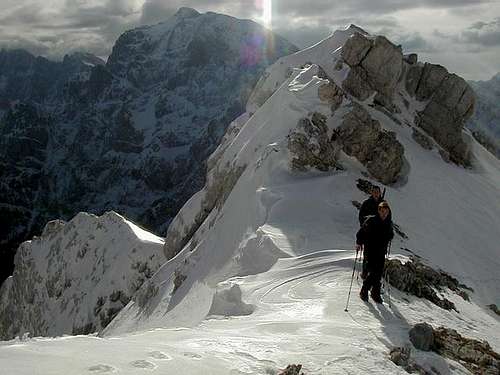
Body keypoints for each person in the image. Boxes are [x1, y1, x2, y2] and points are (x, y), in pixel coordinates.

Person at [356, 201, 393, 303]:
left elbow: (391, 235)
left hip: (381, 251)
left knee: (378, 272)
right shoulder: (372, 220)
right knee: (374, 272)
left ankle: (374, 292)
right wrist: (359, 243)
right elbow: (361, 233)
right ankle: (365, 290)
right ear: (379, 211)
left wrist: (389, 236)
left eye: (386, 211)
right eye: (382, 211)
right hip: (370, 250)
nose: (384, 213)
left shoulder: (388, 223)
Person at [358, 186, 383, 279]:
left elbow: (388, 218)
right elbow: (361, 216)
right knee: (367, 254)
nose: (376, 193)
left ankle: (375, 274)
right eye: (374, 192)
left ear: (380, 193)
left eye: (377, 192)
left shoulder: (383, 204)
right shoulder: (366, 203)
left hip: (380, 234)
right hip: (369, 233)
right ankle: (365, 273)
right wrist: (364, 225)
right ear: (371, 193)